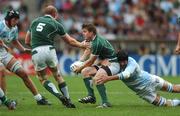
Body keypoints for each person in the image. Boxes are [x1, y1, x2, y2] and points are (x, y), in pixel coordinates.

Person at [25, 5, 87, 108]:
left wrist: (36, 48)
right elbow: (69, 41)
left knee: (42, 78)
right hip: (50, 50)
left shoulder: (34, 22)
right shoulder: (56, 24)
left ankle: (58, 95)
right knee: (57, 75)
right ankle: (68, 99)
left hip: (36, 51)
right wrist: (81, 45)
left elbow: (27, 41)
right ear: (55, 14)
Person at [0, 9, 51, 105]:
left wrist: (24, 49)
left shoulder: (14, 28)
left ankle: (39, 98)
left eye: (17, 19)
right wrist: (4, 45)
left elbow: (14, 41)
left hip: (3, 53)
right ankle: (4, 100)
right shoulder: (1, 25)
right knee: (1, 71)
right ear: (8, 19)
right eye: (14, 19)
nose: (17, 22)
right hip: (3, 50)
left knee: (23, 73)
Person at [96, 50, 180, 106]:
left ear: (127, 59)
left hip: (150, 80)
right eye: (120, 61)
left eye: (124, 61)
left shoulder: (131, 62)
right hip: (142, 91)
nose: (122, 63)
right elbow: (106, 60)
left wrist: (108, 78)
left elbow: (126, 75)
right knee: (165, 104)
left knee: (173, 88)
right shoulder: (116, 62)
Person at [73, 23, 120, 108]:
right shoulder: (92, 40)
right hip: (104, 64)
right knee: (85, 71)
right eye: (82, 31)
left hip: (113, 64)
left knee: (97, 78)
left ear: (91, 33)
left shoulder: (97, 42)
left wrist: (79, 67)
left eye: (85, 31)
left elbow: (91, 61)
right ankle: (91, 96)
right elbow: (87, 52)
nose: (83, 33)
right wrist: (79, 63)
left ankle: (105, 103)